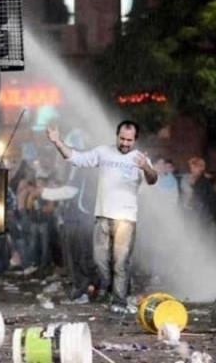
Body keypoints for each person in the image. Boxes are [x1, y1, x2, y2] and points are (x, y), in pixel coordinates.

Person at [46, 120, 157, 314]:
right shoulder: (103, 152)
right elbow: (76, 158)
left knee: (121, 262)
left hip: (126, 219)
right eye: (122, 138)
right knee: (99, 261)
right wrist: (57, 142)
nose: (124, 143)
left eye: (129, 140)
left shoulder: (140, 158)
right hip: (102, 217)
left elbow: (153, 179)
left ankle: (119, 301)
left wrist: (146, 167)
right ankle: (116, 290)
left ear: (135, 140)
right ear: (116, 136)